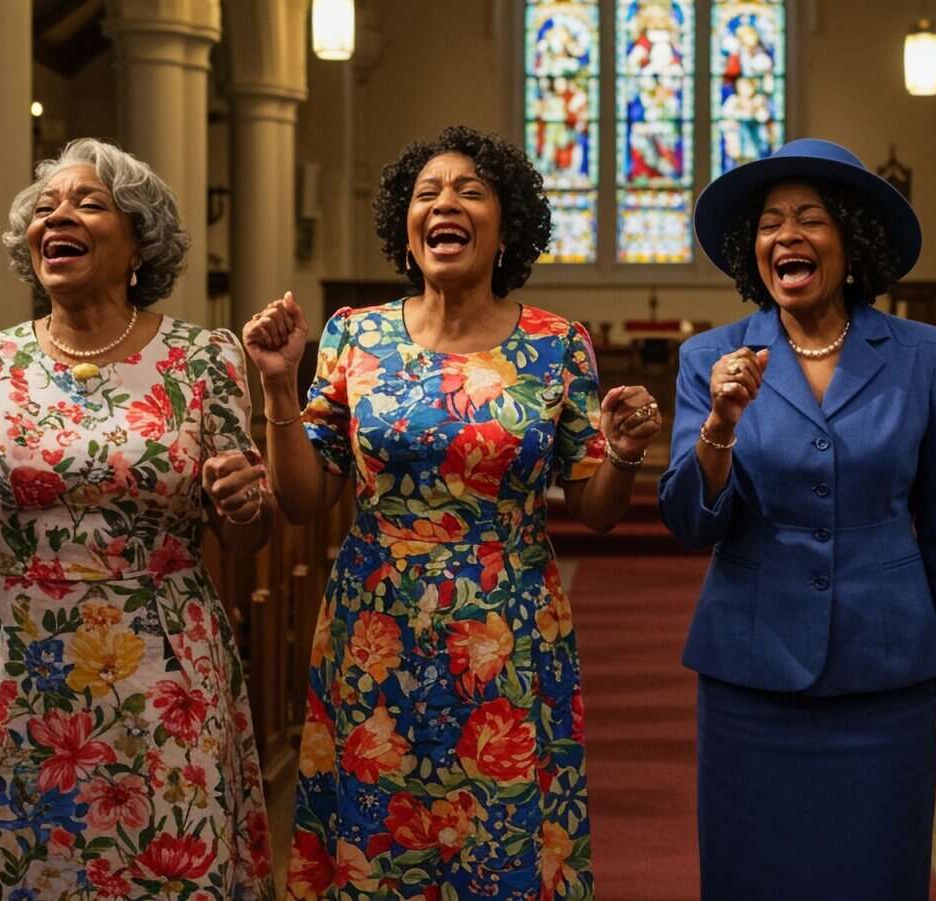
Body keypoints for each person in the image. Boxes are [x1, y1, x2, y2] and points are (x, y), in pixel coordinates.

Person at [242, 125, 662, 900]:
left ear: (506, 229)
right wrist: (277, 387)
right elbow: (303, 498)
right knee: (378, 838)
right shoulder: (353, 336)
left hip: (508, 630)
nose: (445, 202)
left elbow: (598, 510)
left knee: (498, 834)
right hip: (377, 626)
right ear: (407, 227)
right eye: (427, 192)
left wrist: (626, 449)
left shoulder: (555, 344)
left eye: (470, 190)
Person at [0, 138, 274, 899]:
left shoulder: (201, 360)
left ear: (139, 240)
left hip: (162, 665)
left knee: (163, 861)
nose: (58, 217)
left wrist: (247, 500)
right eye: (44, 208)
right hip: (19, 662)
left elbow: (246, 530)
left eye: (87, 203)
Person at [658, 138, 936, 898]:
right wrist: (720, 425)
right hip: (751, 672)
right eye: (771, 223)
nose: (787, 235)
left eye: (810, 218)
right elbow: (689, 522)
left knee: (878, 875)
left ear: (851, 238)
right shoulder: (712, 357)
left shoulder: (919, 352)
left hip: (885, 671)